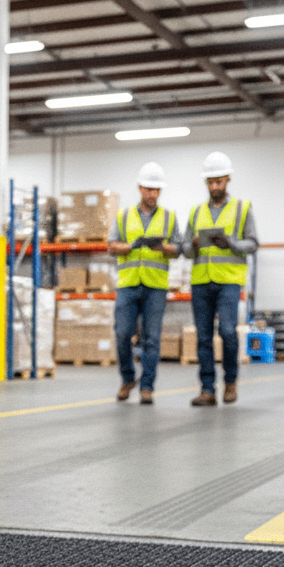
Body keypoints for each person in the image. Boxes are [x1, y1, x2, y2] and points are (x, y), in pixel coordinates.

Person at [183, 151, 259, 406]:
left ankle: (230, 381)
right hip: (201, 282)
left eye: (219, 181)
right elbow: (185, 249)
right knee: (204, 338)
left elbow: (253, 243)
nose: (215, 186)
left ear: (228, 179)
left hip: (228, 281)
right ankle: (207, 389)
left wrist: (231, 243)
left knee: (227, 331)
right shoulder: (196, 212)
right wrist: (193, 244)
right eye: (211, 182)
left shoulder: (242, 208)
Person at [107, 161, 181, 405]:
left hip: (155, 286)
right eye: (149, 189)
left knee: (152, 338)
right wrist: (130, 246)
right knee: (122, 333)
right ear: (140, 188)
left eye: (157, 190)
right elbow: (111, 246)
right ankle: (128, 378)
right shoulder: (123, 216)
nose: (153, 194)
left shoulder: (169, 217)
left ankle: (147, 386)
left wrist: (164, 248)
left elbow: (178, 249)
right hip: (128, 284)